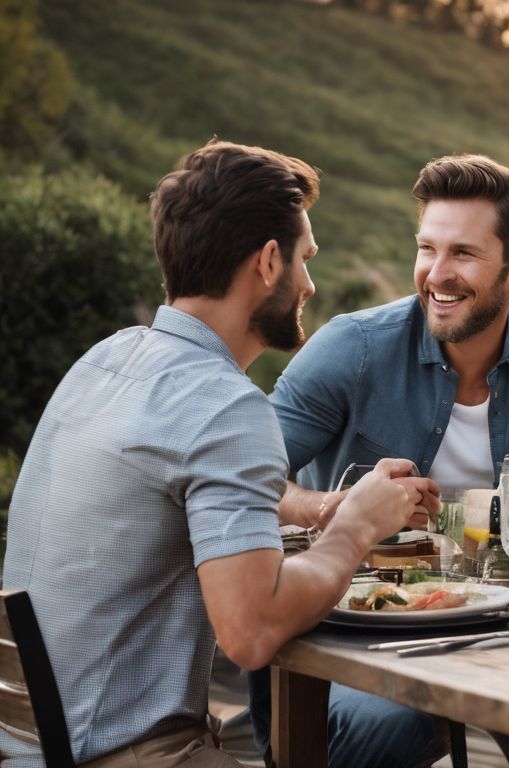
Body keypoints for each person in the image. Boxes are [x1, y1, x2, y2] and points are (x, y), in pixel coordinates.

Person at [0, 139, 443, 766]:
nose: (309, 284)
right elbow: (253, 631)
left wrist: (322, 510)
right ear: (268, 263)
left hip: (28, 746)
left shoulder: (104, 361)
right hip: (130, 753)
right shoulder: (226, 405)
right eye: (304, 260)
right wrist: (356, 527)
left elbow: (176, 497)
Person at [268, 153, 509, 521]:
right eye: (427, 249)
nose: (436, 275)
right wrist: (332, 509)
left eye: (463, 253)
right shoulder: (351, 346)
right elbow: (239, 479)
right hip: (362, 578)